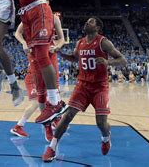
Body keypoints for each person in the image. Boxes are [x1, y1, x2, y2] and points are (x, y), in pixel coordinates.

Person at [42, 17, 127, 162]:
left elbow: (123, 60)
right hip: (82, 85)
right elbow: (75, 58)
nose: (87, 23)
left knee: (101, 123)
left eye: (91, 22)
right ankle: (52, 147)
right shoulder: (80, 42)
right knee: (67, 116)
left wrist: (108, 62)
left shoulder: (103, 42)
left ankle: (106, 138)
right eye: (87, 21)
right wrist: (61, 54)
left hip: (99, 87)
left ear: (98, 28)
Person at [10, 10, 65, 141]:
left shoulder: (52, 18)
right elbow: (17, 33)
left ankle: (54, 121)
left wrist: (56, 46)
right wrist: (24, 43)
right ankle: (19, 126)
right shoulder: (30, 18)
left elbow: (62, 39)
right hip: (33, 73)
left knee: (54, 95)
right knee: (37, 102)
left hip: (49, 63)